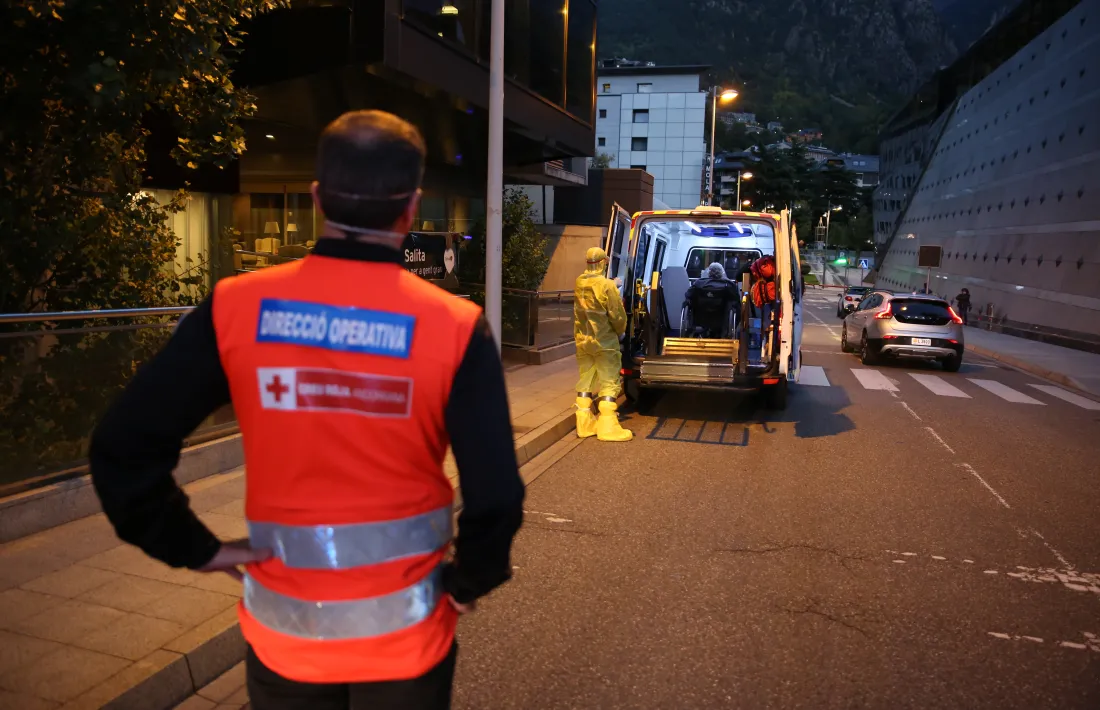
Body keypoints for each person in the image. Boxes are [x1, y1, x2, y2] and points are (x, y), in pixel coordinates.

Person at [89, 110, 525, 710]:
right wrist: (468, 580)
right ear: (411, 207)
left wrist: (196, 547)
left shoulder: (236, 308)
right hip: (408, 643)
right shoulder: (454, 327)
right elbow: (497, 493)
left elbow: (123, 448)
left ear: (319, 200)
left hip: (284, 642)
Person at [573, 247, 632, 442]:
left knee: (586, 380)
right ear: (602, 263)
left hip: (583, 340)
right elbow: (616, 315)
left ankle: (584, 424)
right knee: (609, 381)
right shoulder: (607, 285)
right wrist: (621, 331)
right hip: (604, 342)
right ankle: (607, 426)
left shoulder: (579, 282)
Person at [684, 263, 739, 338]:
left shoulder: (699, 283)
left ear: (709, 272)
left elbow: (688, 295)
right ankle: (724, 334)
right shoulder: (729, 285)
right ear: (722, 272)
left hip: (700, 318)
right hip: (722, 320)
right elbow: (736, 300)